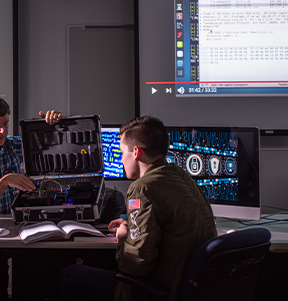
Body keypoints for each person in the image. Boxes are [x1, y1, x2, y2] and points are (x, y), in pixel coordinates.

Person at [59, 115, 217, 301]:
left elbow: (135, 265)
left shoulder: (142, 188)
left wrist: (124, 235)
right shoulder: (181, 175)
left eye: (121, 153)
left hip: (158, 292)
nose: (121, 161)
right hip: (188, 288)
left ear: (136, 152)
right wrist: (133, 225)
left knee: (69, 275)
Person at [0, 95, 61, 214]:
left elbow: (54, 146)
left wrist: (52, 125)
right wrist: (4, 182)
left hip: (14, 224)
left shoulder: (14, 146)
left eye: (5, 124)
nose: (3, 131)